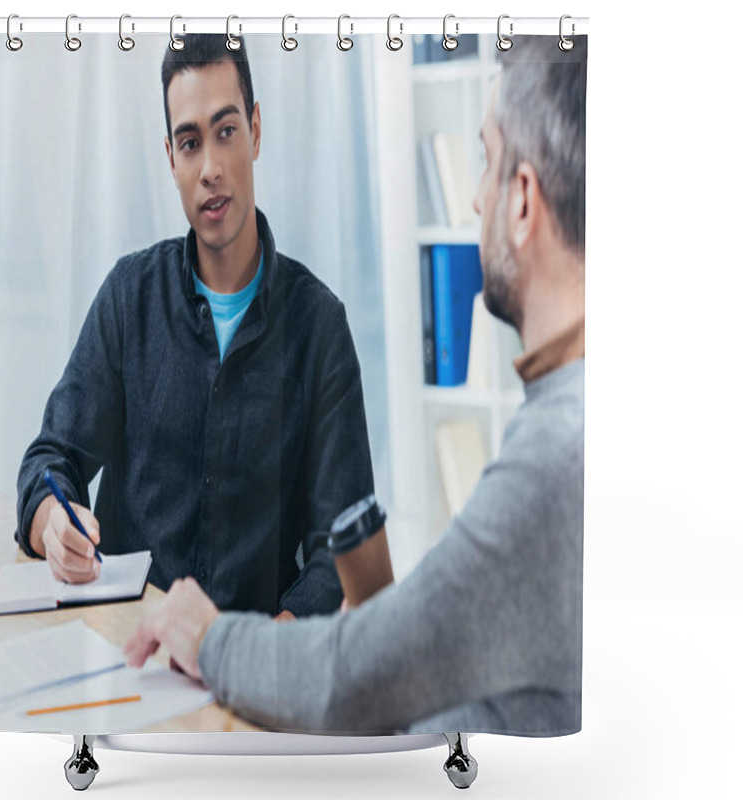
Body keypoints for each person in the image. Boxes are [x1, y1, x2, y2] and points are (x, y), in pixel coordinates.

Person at [124, 35, 586, 734]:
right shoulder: (570, 421)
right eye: (190, 142)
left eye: (487, 161)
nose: (473, 195)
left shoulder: (556, 457)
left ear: (522, 201)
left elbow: (364, 672)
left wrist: (209, 635)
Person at [15, 34, 377, 621]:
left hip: (250, 682)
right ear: (170, 158)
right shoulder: (128, 300)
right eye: (190, 143)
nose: (209, 168)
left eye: (226, 131)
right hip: (125, 662)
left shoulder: (320, 329)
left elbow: (342, 550)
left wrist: (262, 658)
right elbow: (50, 460)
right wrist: (55, 524)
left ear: (256, 131)